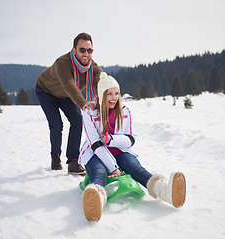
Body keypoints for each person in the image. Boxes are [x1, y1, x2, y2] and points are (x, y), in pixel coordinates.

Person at [79, 72, 186, 222]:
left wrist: (111, 140)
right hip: (95, 153)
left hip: (119, 150)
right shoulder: (90, 114)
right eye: (109, 94)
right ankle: (95, 200)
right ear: (101, 95)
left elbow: (130, 139)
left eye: (116, 93)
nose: (113, 97)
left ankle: (165, 191)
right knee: (99, 172)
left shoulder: (124, 111)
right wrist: (113, 168)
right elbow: (96, 145)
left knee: (136, 168)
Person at [35, 32, 103, 174]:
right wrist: (83, 103)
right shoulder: (63, 63)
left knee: (77, 120)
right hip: (46, 91)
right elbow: (69, 85)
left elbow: (101, 81)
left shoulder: (91, 67)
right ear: (74, 50)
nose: (86, 53)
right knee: (56, 125)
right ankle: (55, 157)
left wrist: (110, 98)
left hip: (65, 95)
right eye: (82, 49)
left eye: (89, 50)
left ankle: (73, 162)